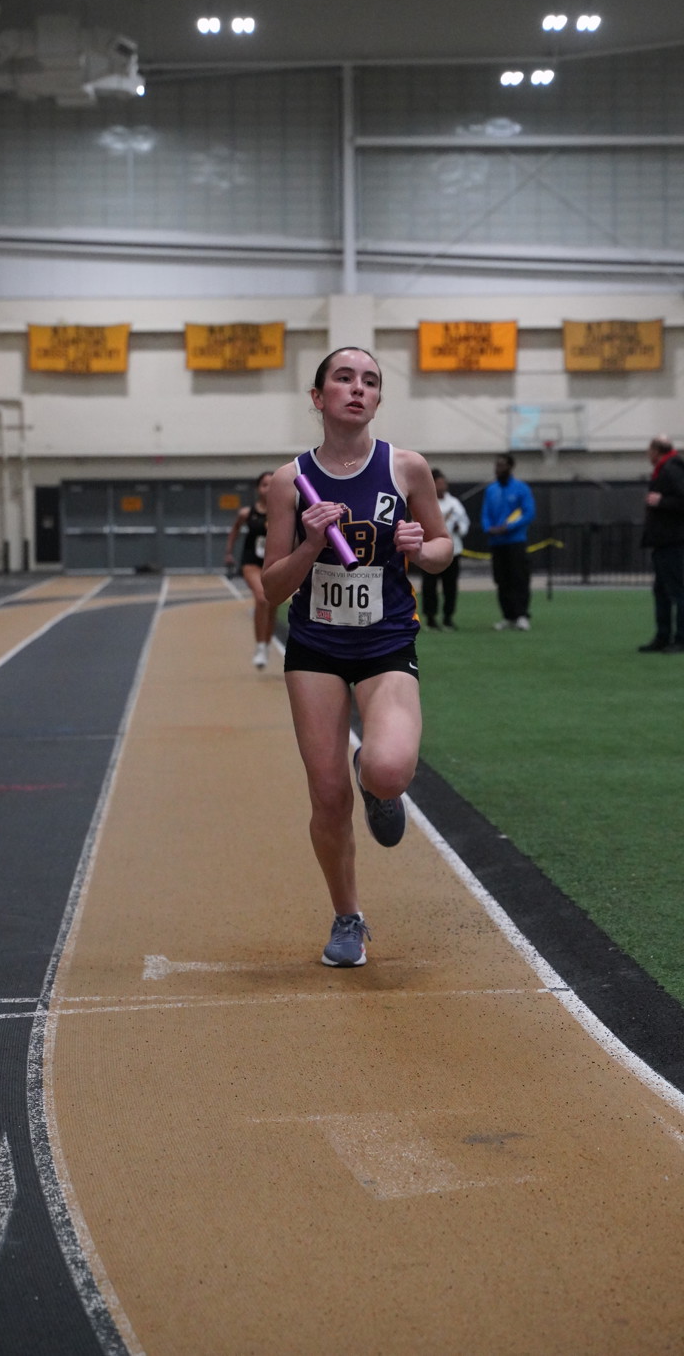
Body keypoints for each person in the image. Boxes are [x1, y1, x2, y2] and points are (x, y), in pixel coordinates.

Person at [262, 346, 451, 968]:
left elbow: (443, 548)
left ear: (377, 399)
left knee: (389, 769)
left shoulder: (407, 468)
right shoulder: (289, 482)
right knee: (327, 796)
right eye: (343, 379)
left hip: (386, 642)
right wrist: (311, 543)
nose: (357, 388)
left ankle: (378, 785)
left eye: (369, 381)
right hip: (316, 647)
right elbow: (273, 588)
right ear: (318, 397)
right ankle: (347, 916)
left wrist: (421, 549)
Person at [639, 435, 684, 654]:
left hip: (671, 539)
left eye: (649, 450)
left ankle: (680, 640)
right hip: (664, 539)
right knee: (662, 590)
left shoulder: (672, 470)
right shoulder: (667, 469)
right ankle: (662, 637)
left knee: (676, 591)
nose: (647, 454)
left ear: (656, 451)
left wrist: (661, 501)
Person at [224, 470, 277, 669]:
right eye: (264, 485)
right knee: (262, 599)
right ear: (258, 488)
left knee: (272, 604)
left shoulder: (283, 511)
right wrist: (229, 552)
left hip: (274, 562)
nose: (268, 489)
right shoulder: (246, 513)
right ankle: (260, 646)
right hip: (251, 561)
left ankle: (266, 643)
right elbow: (235, 529)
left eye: (272, 485)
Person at [481, 453, 536, 631]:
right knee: (501, 580)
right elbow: (485, 514)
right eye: (497, 465)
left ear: (510, 467)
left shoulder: (521, 488)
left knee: (519, 578)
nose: (498, 469)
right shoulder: (491, 490)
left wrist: (509, 527)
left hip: (515, 541)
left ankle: (522, 615)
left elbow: (529, 513)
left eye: (502, 465)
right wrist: (489, 528)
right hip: (497, 543)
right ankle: (508, 616)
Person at [421, 469, 469, 630]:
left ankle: (448, 617)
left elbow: (464, 523)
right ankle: (430, 618)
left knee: (450, 586)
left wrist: (459, 527)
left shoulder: (454, 503)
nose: (442, 486)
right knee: (429, 586)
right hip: (430, 550)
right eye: (438, 483)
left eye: (443, 483)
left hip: (452, 552)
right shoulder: (424, 502)